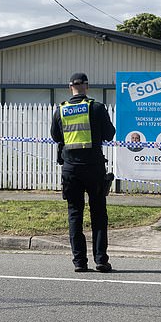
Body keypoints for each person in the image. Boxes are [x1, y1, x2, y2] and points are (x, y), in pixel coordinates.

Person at [51, 72, 116, 273]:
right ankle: (100, 260)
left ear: (70, 87)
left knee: (74, 214)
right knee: (98, 214)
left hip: (70, 169)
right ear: (86, 86)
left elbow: (55, 137)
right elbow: (109, 134)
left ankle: (79, 261)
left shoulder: (60, 110)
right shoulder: (96, 107)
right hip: (94, 168)